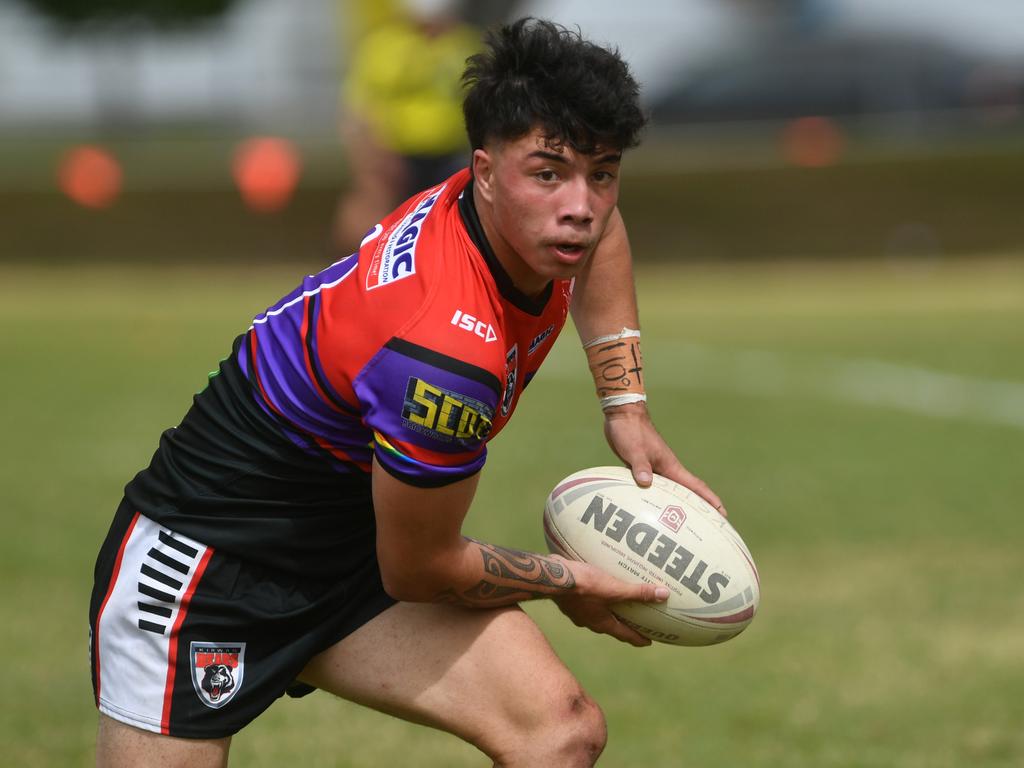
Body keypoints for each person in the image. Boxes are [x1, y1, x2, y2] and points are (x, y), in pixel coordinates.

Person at [89, 18, 724, 768]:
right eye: (548, 172)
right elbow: (421, 569)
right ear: (485, 170)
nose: (581, 206)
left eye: (603, 171)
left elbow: (605, 236)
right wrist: (568, 580)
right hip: (209, 559)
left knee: (559, 731)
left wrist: (627, 410)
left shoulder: (538, 223)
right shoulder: (445, 353)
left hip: (354, 541)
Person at [333, 0, 482, 253]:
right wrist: (370, 156)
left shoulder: (464, 45)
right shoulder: (382, 46)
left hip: (449, 155)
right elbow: (360, 109)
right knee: (368, 207)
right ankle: (352, 268)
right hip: (394, 154)